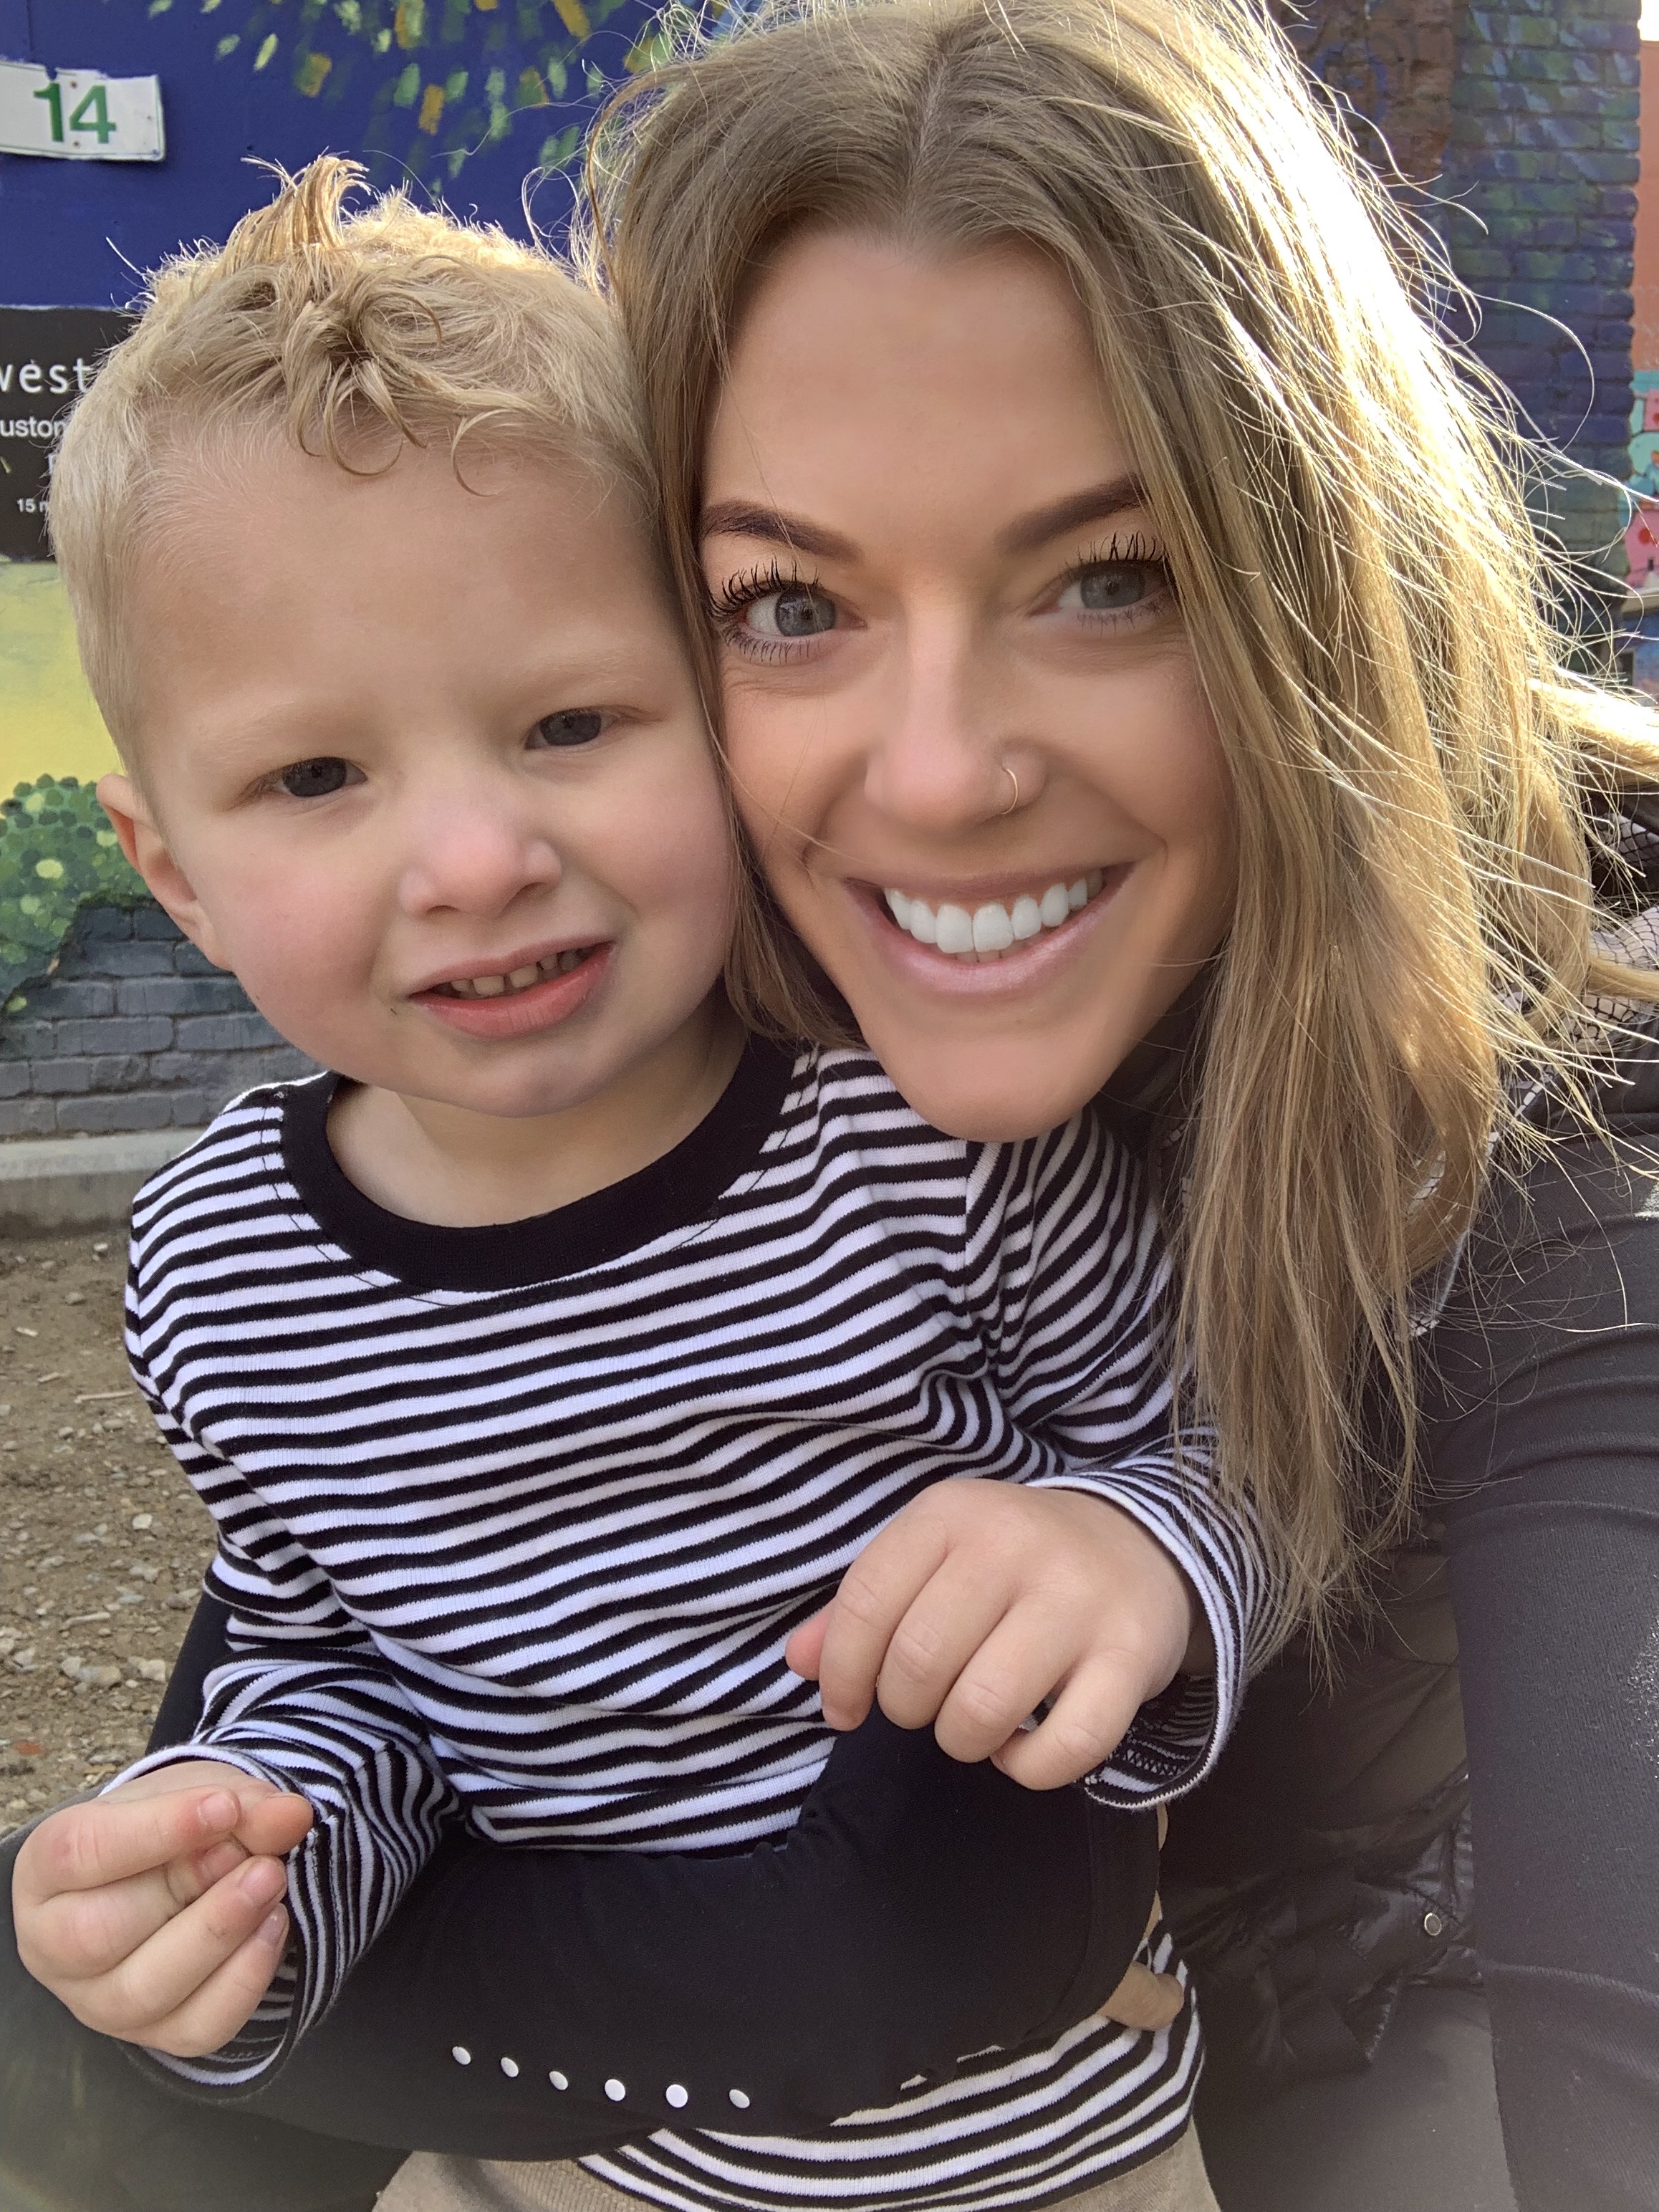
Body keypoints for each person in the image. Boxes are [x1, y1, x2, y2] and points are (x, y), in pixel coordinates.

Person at [1, 158, 1279, 2212]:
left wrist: (1133, 1550)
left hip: (1047, 2141)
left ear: (720, 712)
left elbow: (1234, 1452)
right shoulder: (215, 1264)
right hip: (570, 2163)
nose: (475, 860)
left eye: (570, 722)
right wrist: (236, 1860)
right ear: (175, 873)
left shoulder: (920, 1144)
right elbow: (332, 1667)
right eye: (316, 776)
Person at [563, 2, 1658, 2207]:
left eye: (1106, 581)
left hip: (1366, 2012)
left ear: (1314, 583)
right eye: (789, 601)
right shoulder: (630, 1037)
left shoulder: (1573, 1103)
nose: (938, 772)